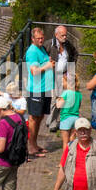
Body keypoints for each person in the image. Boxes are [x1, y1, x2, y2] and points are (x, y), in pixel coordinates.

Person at [24, 26, 54, 157]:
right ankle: (30, 147)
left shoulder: (41, 48)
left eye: (42, 38)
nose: (41, 40)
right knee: (33, 118)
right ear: (32, 39)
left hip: (44, 88)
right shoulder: (32, 52)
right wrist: (47, 66)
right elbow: (34, 71)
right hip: (36, 89)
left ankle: (34, 143)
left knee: (40, 117)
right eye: (38, 38)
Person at [55, 73, 83, 153]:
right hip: (75, 118)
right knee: (73, 141)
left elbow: (58, 105)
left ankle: (64, 161)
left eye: (63, 82)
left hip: (66, 118)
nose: (61, 84)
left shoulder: (65, 93)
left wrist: (58, 99)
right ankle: (72, 157)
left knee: (65, 142)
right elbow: (78, 106)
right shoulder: (79, 94)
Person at [48, 24, 78, 93]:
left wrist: (70, 69)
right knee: (53, 100)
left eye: (65, 35)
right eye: (62, 35)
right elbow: (42, 56)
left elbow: (75, 53)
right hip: (52, 77)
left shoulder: (67, 44)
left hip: (64, 76)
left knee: (63, 99)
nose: (65, 37)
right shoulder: (49, 44)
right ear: (56, 35)